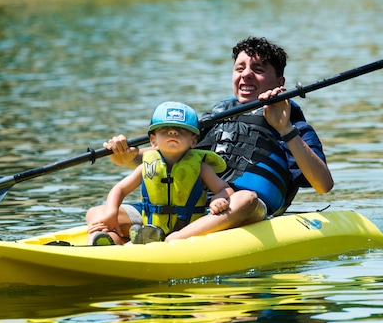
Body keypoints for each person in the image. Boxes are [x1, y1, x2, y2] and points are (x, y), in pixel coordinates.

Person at [92, 37, 334, 241]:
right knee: (98, 212)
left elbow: (323, 185)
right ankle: (110, 240)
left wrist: (285, 128)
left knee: (244, 198)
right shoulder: (215, 117)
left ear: (280, 82)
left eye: (258, 70)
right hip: (197, 207)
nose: (246, 75)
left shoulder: (294, 126)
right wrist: (129, 156)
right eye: (240, 69)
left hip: (247, 209)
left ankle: (173, 241)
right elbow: (170, 151)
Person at [86, 102, 234, 245]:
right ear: (153, 140)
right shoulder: (147, 164)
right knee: (100, 216)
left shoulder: (200, 167)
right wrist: (112, 212)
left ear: (193, 141)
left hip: (188, 228)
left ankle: (137, 239)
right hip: (153, 226)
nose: (173, 132)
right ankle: (107, 241)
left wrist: (218, 199)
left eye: (181, 129)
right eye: (165, 129)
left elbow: (225, 189)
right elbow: (120, 189)